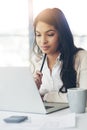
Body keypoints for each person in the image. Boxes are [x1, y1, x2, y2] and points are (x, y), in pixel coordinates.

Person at [30, 8, 87, 102]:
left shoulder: (82, 58)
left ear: (62, 34)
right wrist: (33, 90)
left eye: (50, 34)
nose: (43, 41)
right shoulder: (36, 61)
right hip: (43, 116)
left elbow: (83, 98)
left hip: (73, 116)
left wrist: (46, 97)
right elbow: (30, 100)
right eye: (38, 35)